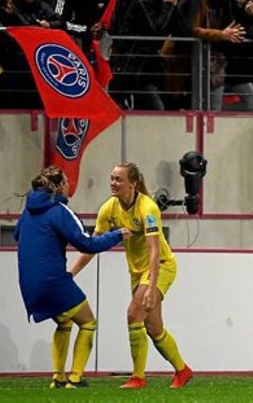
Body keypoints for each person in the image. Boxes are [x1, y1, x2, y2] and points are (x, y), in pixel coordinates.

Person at [70, 163, 193, 389]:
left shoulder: (148, 208)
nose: (113, 183)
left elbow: (155, 250)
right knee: (154, 329)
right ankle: (183, 371)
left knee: (133, 315)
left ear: (132, 184)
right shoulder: (108, 209)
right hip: (137, 272)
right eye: (112, 178)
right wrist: (71, 273)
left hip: (161, 266)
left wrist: (152, 287)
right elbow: (92, 246)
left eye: (118, 179)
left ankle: (138, 378)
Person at [15, 166, 129, 389]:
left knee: (64, 320)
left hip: (28, 285)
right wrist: (116, 235)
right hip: (53, 281)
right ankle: (75, 379)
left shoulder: (27, 211)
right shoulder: (59, 211)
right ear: (60, 187)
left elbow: (18, 234)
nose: (70, 185)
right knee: (88, 322)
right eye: (67, 182)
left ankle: (58, 378)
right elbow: (86, 243)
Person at [112, 0, 183, 110]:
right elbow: (156, 31)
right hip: (133, 68)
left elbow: (178, 26)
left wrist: (174, 5)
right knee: (155, 109)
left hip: (149, 68)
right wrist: (168, 5)